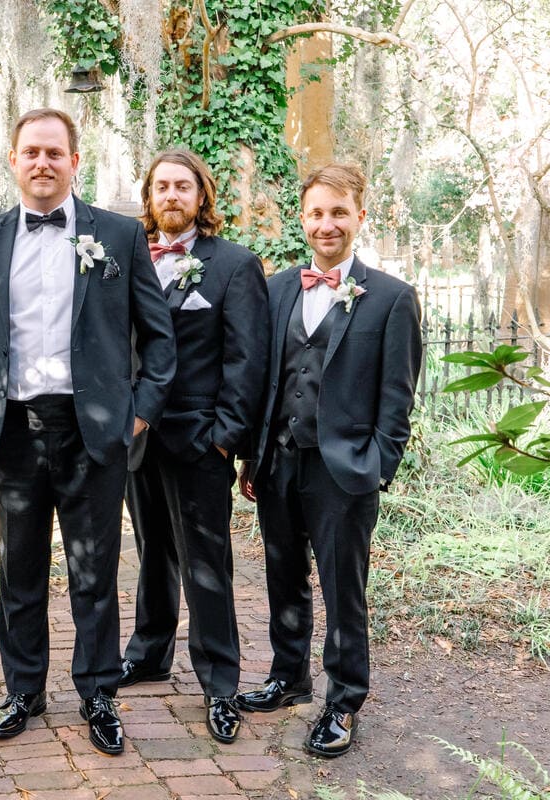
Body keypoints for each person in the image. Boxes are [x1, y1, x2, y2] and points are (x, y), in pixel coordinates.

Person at [0, 108, 176, 756]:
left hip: (94, 429)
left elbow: (159, 338)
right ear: (12, 162)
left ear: (75, 162)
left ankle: (98, 694)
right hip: (12, 429)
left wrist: (140, 412)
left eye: (54, 152)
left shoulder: (121, 237)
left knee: (94, 570)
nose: (42, 162)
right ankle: (24, 691)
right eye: (30, 152)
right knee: (20, 570)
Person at [235, 163, 421, 758]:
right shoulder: (278, 287)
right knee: (282, 574)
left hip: (344, 470)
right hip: (278, 461)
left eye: (339, 212)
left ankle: (344, 701)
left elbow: (398, 399)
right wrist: (252, 457)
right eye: (316, 212)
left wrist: (377, 466)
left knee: (344, 588)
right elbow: (266, 378)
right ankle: (289, 678)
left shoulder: (391, 298)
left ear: (360, 217)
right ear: (303, 217)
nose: (327, 224)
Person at [117, 150, 269, 744]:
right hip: (137, 438)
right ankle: (149, 652)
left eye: (183, 186)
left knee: (207, 563)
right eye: (161, 187)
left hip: (198, 439)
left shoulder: (233, 265)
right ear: (149, 198)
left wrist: (224, 437)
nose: (172, 196)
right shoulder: (128, 260)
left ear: (201, 197)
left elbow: (246, 358)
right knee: (152, 548)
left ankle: (219, 683)